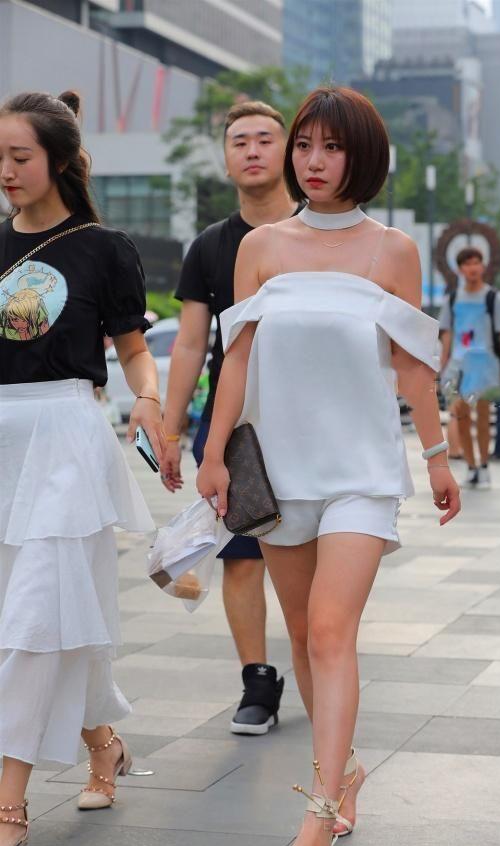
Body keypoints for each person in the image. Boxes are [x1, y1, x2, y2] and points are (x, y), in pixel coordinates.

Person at [196, 86, 461, 846]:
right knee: (306, 633)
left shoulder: (393, 251)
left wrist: (438, 456)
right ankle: (343, 770)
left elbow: (412, 364)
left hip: (360, 473)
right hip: (280, 472)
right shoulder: (261, 247)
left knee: (329, 631)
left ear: (362, 156)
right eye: (304, 145)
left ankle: (318, 810)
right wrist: (214, 455)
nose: (313, 161)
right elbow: (236, 360)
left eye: (332, 147)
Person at [0, 90, 163, 846]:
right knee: (40, 618)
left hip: (66, 434)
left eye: (19, 156)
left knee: (37, 619)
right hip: (3, 440)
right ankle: (104, 742)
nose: (5, 171)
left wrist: (150, 400)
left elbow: (132, 348)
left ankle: (9, 802)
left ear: (60, 159)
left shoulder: (104, 248)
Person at [160, 101, 301, 735]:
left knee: (309, 557)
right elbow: (192, 343)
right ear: (225, 159)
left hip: (310, 423)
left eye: (265, 139)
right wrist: (171, 429)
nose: (252, 150)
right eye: (239, 141)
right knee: (242, 558)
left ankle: (318, 660)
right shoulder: (210, 246)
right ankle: (258, 681)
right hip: (235, 428)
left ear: (288, 151)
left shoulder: (322, 230)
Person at [439, 247, 500, 488]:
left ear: (483, 266)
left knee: (483, 417)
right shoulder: (452, 299)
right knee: (461, 415)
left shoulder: (494, 297)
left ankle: (483, 466)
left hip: (485, 364)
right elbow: (446, 333)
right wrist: (442, 365)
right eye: (467, 263)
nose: (472, 268)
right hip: (459, 367)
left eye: (476, 263)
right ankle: (471, 466)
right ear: (460, 269)